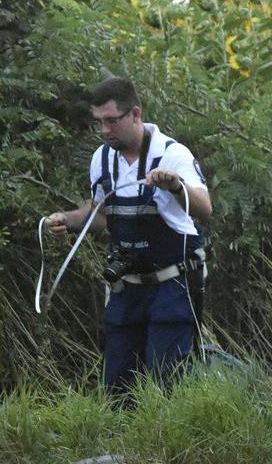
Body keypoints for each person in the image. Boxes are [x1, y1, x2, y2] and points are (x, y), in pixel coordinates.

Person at [45, 77, 212, 394]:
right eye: (99, 123)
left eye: (112, 121)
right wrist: (66, 219)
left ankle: (164, 442)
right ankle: (117, 443)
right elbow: (102, 216)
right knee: (117, 385)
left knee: (166, 383)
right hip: (126, 286)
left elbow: (205, 209)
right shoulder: (102, 159)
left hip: (173, 285)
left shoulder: (171, 155)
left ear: (135, 115)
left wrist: (175, 186)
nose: (105, 130)